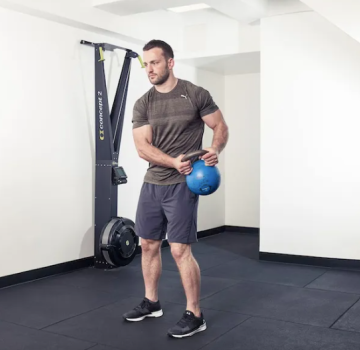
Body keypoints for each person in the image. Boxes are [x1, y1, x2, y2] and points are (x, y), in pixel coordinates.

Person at [122, 39, 229, 338]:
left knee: (180, 250)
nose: (149, 69)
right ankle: (151, 302)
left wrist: (215, 147)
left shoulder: (194, 94)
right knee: (148, 244)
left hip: (183, 185)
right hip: (153, 182)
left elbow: (220, 126)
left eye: (154, 62)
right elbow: (142, 147)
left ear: (170, 62)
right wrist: (172, 161)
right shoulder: (144, 102)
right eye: (146, 64)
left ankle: (195, 314)